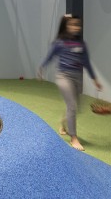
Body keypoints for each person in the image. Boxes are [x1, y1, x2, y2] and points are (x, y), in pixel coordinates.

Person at [38, 15, 102, 151]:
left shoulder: (81, 44)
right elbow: (49, 57)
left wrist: (94, 79)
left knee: (74, 107)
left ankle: (63, 122)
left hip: (77, 77)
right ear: (66, 26)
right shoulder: (59, 43)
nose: (75, 27)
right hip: (63, 76)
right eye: (72, 24)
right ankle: (74, 138)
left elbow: (86, 63)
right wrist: (41, 69)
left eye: (77, 25)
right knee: (72, 105)